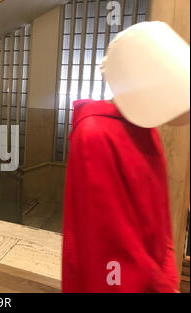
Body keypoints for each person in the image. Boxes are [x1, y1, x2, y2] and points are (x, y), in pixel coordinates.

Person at [62, 21, 189, 293]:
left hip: (150, 278)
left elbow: (160, 214)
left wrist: (166, 274)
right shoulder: (94, 134)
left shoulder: (145, 127)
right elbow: (111, 244)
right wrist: (161, 284)